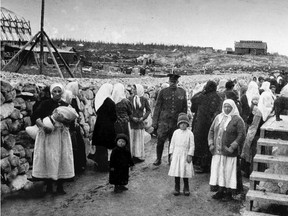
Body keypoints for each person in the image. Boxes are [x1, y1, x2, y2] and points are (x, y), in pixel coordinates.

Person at [31, 83, 74, 195]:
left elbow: (71, 122)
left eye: (59, 91)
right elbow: (35, 116)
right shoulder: (45, 104)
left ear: (62, 92)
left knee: (60, 158)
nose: (57, 94)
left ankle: (60, 186)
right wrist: (43, 127)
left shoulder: (65, 105)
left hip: (60, 135)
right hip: (49, 135)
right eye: (55, 91)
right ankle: (49, 185)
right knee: (49, 158)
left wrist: (64, 120)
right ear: (51, 92)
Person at [208, 99, 246, 201]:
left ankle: (229, 193)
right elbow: (211, 131)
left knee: (229, 172)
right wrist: (211, 143)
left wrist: (233, 146)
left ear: (233, 107)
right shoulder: (218, 117)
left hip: (229, 152)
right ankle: (220, 191)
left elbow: (241, 134)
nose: (226, 108)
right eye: (225, 106)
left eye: (229, 107)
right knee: (219, 171)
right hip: (218, 151)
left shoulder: (237, 120)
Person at [152, 73, 187, 166]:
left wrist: (184, 122)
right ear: (168, 81)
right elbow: (157, 107)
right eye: (171, 81)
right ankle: (158, 159)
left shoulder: (182, 92)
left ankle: (170, 159)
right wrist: (154, 122)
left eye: (174, 82)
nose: (173, 83)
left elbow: (184, 109)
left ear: (177, 82)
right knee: (160, 141)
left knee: (173, 141)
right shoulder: (163, 92)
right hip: (163, 122)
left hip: (175, 122)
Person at [192, 80, 222, 173]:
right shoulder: (218, 97)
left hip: (201, 124)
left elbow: (193, 99)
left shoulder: (202, 96)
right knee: (209, 144)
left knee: (200, 144)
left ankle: (200, 165)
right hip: (212, 123)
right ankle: (208, 165)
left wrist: (202, 91)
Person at [91, 83, 117, 172]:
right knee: (106, 146)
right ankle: (104, 166)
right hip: (107, 127)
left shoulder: (99, 100)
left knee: (100, 146)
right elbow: (114, 116)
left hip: (99, 126)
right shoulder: (110, 102)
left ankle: (99, 164)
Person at [168, 113, 195, 196]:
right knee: (177, 171)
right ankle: (177, 187)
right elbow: (172, 144)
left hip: (185, 155)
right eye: (181, 123)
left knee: (185, 171)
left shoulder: (190, 133)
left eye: (184, 123)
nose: (183, 125)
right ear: (178, 124)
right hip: (177, 154)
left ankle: (186, 187)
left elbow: (192, 145)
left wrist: (190, 155)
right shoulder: (176, 133)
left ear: (187, 124)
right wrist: (171, 153)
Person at [65, 81, 87, 173]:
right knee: (75, 147)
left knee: (78, 145)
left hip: (75, 126)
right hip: (72, 127)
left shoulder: (75, 99)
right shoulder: (70, 99)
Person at [130, 84, 151, 162]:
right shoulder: (130, 99)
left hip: (140, 123)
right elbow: (128, 110)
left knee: (138, 139)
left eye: (134, 89)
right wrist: (132, 117)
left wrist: (143, 118)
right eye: (132, 89)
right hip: (132, 123)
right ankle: (131, 155)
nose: (133, 90)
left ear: (138, 90)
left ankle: (138, 155)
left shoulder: (144, 99)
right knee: (132, 139)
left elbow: (148, 110)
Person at [111, 83, 133, 150]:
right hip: (124, 124)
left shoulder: (111, 101)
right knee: (125, 140)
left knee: (117, 140)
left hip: (115, 123)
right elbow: (130, 112)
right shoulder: (126, 101)